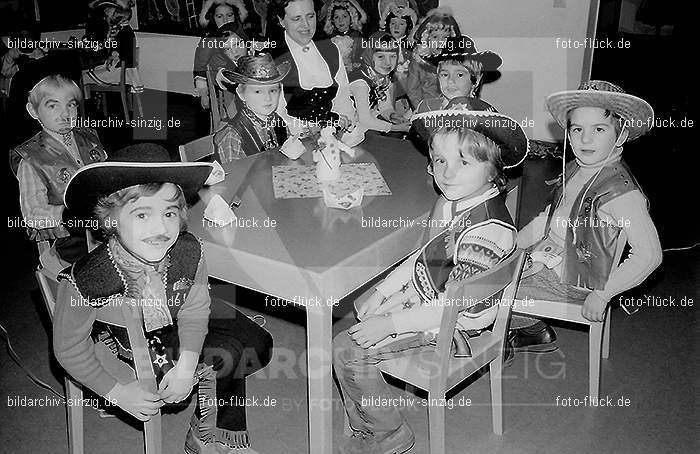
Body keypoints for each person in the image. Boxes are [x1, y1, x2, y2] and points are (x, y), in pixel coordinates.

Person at [333, 99, 528, 454]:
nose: (447, 173)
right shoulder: (463, 204)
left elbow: (451, 306)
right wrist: (384, 290)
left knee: (347, 349)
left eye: (463, 162)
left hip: (454, 323)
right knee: (361, 315)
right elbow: (423, 258)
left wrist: (392, 321)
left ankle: (388, 433)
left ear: (493, 168)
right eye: (440, 160)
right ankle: (367, 418)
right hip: (436, 299)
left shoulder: (488, 230)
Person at [53, 144, 273, 454]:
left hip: (177, 315)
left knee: (259, 343)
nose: (160, 227)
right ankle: (210, 435)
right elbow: (68, 347)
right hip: (131, 346)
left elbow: (196, 308)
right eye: (142, 214)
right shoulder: (88, 279)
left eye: (169, 212)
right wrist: (116, 392)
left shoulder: (187, 249)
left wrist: (185, 368)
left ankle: (205, 397)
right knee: (227, 356)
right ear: (110, 220)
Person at [509, 80, 663, 352]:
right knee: (488, 260)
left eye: (599, 129)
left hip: (575, 278)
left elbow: (650, 254)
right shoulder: (577, 169)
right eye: (577, 129)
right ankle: (531, 326)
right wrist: (513, 243)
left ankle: (528, 328)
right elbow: (550, 218)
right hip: (552, 256)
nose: (585, 139)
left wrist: (603, 295)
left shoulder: (622, 195)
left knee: (488, 289)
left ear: (621, 135)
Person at [10, 74, 108, 270]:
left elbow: (109, 177)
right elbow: (33, 214)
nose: (65, 114)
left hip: (107, 232)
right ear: (33, 110)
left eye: (71, 105)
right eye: (53, 106)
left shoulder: (89, 137)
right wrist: (70, 215)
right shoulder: (31, 159)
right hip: (73, 247)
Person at [269, 0, 353, 134]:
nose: (306, 25)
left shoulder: (330, 50)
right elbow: (276, 115)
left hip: (333, 136)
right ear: (281, 21)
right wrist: (315, 126)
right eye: (297, 18)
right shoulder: (272, 57)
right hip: (292, 142)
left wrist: (345, 126)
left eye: (310, 16)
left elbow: (343, 98)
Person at [214, 53, 290, 161]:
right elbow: (236, 176)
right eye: (258, 91)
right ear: (241, 93)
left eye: (273, 90)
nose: (267, 98)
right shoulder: (233, 136)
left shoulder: (278, 122)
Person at [416, 34, 502, 112]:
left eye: (460, 75)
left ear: (476, 80)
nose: (450, 81)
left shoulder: (485, 112)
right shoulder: (427, 108)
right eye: (444, 75)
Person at [347, 31, 409, 135]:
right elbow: (365, 120)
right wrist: (395, 128)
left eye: (392, 56)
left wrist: (392, 116)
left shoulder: (382, 77)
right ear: (370, 55)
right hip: (351, 129)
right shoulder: (361, 83)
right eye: (381, 56)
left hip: (368, 124)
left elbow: (384, 106)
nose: (388, 63)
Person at [193, 1, 249, 110]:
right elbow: (200, 68)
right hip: (223, 91)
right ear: (212, 18)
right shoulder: (209, 41)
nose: (225, 20)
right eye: (219, 17)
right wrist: (204, 93)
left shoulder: (239, 33)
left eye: (229, 15)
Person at [405, 7, 460, 109]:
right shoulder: (419, 60)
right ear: (426, 37)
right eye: (435, 37)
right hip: (426, 109)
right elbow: (412, 91)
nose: (440, 42)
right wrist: (422, 110)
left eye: (445, 37)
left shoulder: (456, 60)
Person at [82, 0, 143, 92]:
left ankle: (83, 103)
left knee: (83, 78)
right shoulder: (126, 30)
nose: (106, 11)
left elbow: (113, 51)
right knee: (88, 73)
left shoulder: (121, 32)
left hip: (119, 72)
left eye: (109, 10)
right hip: (125, 71)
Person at [379, 1, 418, 94]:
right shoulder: (382, 42)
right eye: (393, 23)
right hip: (388, 81)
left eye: (401, 24)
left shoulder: (410, 44)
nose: (396, 27)